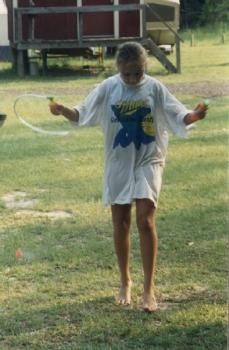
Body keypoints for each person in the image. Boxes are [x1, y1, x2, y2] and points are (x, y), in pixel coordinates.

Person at [50, 42, 208, 312]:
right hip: (119, 160)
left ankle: (149, 289)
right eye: (128, 74)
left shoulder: (155, 87)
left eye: (139, 73)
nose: (134, 79)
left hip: (149, 158)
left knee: (145, 221)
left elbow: (178, 113)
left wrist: (194, 115)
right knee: (120, 223)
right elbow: (82, 113)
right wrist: (62, 109)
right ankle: (125, 281)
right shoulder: (108, 87)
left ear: (145, 67)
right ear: (118, 69)